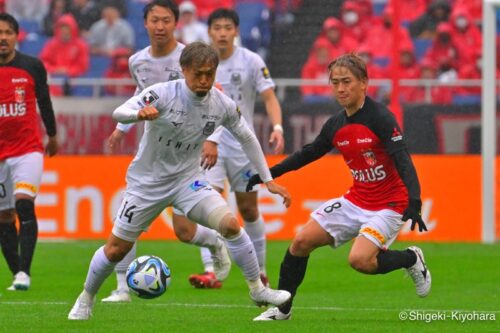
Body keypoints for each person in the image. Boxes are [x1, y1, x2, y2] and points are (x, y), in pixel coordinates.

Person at [67, 41, 292, 320]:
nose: (204, 80)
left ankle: (257, 289)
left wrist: (268, 179)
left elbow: (246, 136)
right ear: (184, 70)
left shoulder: (220, 103)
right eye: (198, 73)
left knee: (230, 225)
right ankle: (86, 297)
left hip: (188, 181)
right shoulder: (162, 94)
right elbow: (119, 111)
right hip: (146, 184)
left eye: (209, 74)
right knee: (116, 249)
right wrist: (138, 114)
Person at [247, 53, 431, 321]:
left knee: (360, 261)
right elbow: (309, 153)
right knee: (300, 242)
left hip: (390, 204)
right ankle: (283, 309)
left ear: (364, 83)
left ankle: (411, 259)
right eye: (335, 83)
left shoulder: (381, 117)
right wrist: (268, 173)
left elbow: (402, 159)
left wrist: (414, 200)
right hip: (357, 199)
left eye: (347, 81)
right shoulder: (336, 124)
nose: (341, 88)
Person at [181, 8, 285, 289]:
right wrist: (209, 138)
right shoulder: (199, 62)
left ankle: (260, 270)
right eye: (218, 28)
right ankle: (212, 270)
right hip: (207, 145)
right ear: (210, 31)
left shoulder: (251, 61)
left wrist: (277, 128)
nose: (223, 33)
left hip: (240, 146)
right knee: (206, 206)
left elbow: (269, 97)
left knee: (248, 210)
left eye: (228, 27)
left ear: (236, 31)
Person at [0, 13, 58, 291]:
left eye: (8, 32)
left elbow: (45, 101)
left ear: (16, 36)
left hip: (27, 150)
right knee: (3, 217)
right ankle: (17, 273)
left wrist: (53, 135)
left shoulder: (31, 66)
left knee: (24, 203)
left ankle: (25, 271)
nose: (2, 37)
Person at [39, 14, 90, 96]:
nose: (64, 31)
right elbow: (43, 62)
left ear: (72, 29)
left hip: (74, 80)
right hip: (53, 79)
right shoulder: (51, 44)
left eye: (67, 28)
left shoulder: (81, 45)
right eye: (62, 28)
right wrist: (55, 70)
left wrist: (68, 71)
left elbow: (83, 66)